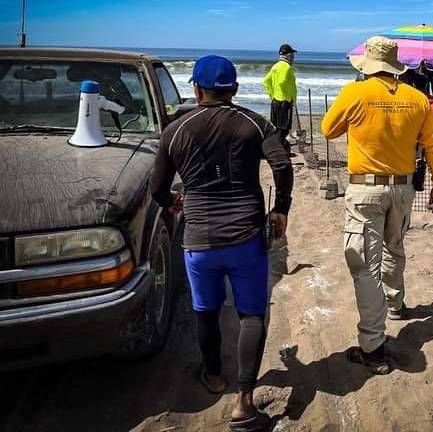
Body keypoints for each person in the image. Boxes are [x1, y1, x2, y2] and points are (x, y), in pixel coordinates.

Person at [150, 55, 293, 431]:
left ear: (195, 89)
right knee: (251, 314)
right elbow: (282, 165)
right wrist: (280, 209)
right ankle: (245, 401)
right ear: (235, 89)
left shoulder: (175, 130)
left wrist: (171, 202)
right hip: (246, 238)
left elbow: (157, 188)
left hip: (198, 241)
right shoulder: (253, 123)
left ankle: (214, 376)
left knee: (206, 311)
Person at [321, 36, 433, 375]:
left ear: (367, 66)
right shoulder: (417, 98)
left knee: (363, 263)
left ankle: (373, 344)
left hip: (366, 190)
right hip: (404, 190)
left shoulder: (355, 93)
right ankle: (395, 304)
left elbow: (328, 129)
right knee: (394, 247)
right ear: (395, 66)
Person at [264, 43, 298, 152]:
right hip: (284, 102)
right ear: (287, 55)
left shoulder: (276, 66)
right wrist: (288, 97)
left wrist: (272, 95)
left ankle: (279, 149)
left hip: (275, 101)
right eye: (292, 54)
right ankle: (278, 150)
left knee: (278, 127)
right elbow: (282, 82)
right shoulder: (286, 67)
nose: (293, 57)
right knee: (284, 129)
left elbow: (266, 81)